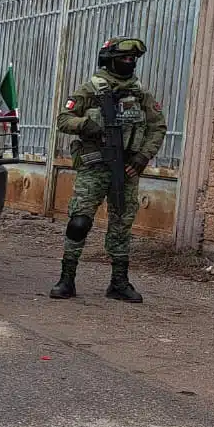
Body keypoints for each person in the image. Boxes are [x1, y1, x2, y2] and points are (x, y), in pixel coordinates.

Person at [49, 37, 166, 303]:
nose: (129, 62)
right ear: (109, 59)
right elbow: (63, 119)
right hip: (95, 166)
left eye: (133, 59)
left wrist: (143, 157)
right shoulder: (92, 88)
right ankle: (66, 279)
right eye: (124, 58)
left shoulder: (139, 92)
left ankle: (119, 282)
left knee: (122, 224)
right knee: (79, 222)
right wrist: (85, 125)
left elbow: (157, 126)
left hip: (127, 167)